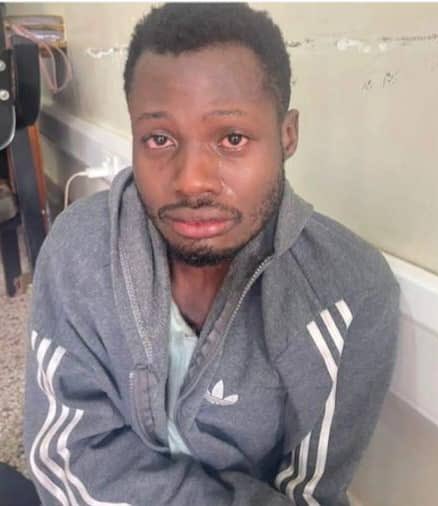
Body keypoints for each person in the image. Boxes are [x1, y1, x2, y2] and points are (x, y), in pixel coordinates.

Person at [24, 3, 400, 505]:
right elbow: (65, 456)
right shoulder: (78, 251)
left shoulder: (348, 294)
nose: (191, 181)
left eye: (232, 138)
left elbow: (307, 495)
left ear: (287, 135)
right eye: (159, 139)